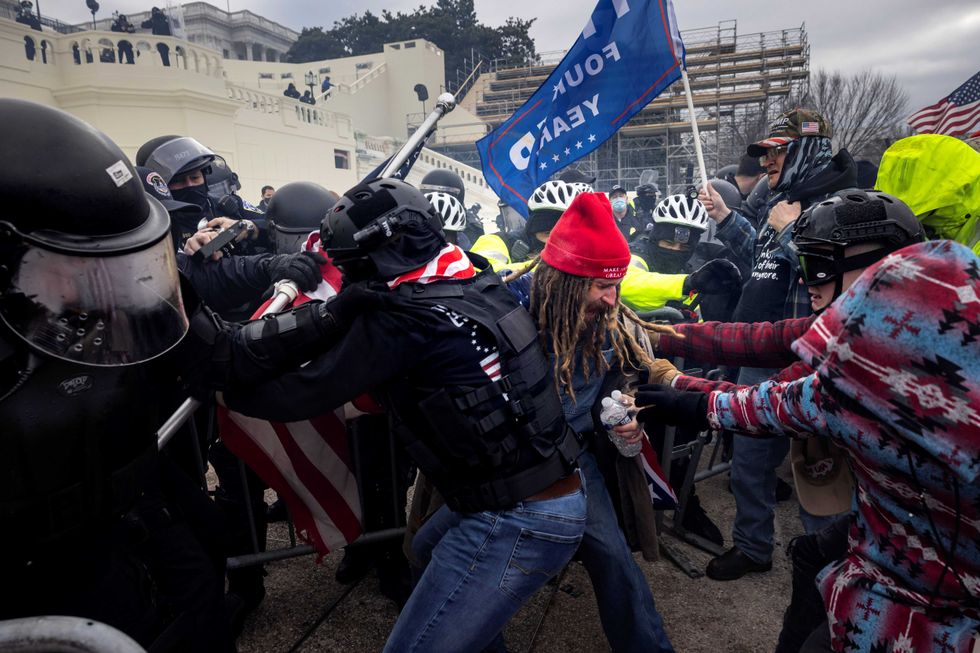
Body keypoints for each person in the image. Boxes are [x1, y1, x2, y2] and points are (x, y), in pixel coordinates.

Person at [184, 177, 587, 652]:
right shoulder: (471, 276)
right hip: (537, 492)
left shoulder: (407, 316)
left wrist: (219, 391)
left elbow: (298, 393)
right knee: (424, 550)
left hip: (518, 516)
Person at [635, 238, 980, 653]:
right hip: (886, 548)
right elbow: (767, 366)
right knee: (812, 554)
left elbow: (773, 401)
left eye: (822, 267)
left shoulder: (863, 381)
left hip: (914, 611)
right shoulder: (872, 354)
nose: (807, 280)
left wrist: (681, 386)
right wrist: (672, 354)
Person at [696, 107, 858, 581]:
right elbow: (760, 263)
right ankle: (753, 546)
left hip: (813, 362)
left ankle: (827, 570)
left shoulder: (844, 205)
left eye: (777, 152)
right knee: (747, 464)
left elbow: (838, 279)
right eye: (764, 153)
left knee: (818, 477)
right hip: (760, 354)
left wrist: (790, 230)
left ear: (808, 149)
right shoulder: (779, 200)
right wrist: (727, 218)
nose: (767, 162)